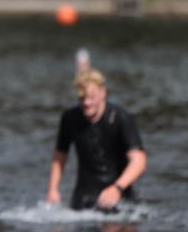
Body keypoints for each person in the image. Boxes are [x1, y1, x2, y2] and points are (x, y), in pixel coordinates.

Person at [46, 68, 146, 212]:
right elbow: (60, 156)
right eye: (82, 98)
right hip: (84, 197)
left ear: (103, 92)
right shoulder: (70, 118)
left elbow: (139, 161)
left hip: (120, 196)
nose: (87, 103)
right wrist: (53, 189)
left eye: (91, 97)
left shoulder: (120, 117)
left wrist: (117, 188)